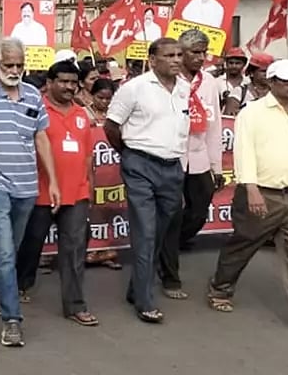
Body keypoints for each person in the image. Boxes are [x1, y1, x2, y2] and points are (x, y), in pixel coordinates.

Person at [206, 60, 288, 334]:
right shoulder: (253, 113)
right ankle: (220, 288)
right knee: (243, 244)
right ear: (271, 82)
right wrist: (252, 189)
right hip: (261, 194)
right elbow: (243, 152)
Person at [0, 38, 60, 347]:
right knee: (5, 252)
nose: (15, 70)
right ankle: (12, 320)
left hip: (27, 186)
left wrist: (54, 181)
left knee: (12, 249)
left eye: (19, 65)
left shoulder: (34, 95)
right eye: (9, 65)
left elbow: (42, 140)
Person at [104, 38, 190, 324]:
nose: (176, 60)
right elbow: (111, 126)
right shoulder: (134, 88)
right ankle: (145, 301)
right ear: (153, 60)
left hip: (172, 168)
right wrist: (128, 154)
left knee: (161, 233)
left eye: (179, 55)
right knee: (146, 233)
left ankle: (135, 288)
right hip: (140, 164)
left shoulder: (184, 88)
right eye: (169, 55)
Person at [15, 60, 98, 326]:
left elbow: (87, 156)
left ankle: (75, 304)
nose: (68, 87)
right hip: (39, 192)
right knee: (31, 243)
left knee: (74, 249)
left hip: (76, 193)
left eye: (73, 82)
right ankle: (19, 284)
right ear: (49, 83)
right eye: (62, 81)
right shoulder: (34, 109)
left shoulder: (82, 115)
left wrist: (89, 187)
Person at [157, 30, 224, 300]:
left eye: (203, 52)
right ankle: (170, 274)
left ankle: (166, 244)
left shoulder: (209, 82)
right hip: (170, 158)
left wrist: (216, 166)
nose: (200, 57)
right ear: (180, 53)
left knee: (198, 210)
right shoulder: (166, 80)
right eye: (194, 52)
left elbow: (214, 124)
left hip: (198, 159)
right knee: (171, 215)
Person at [83, 78, 123, 270]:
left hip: (112, 171)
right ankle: (89, 251)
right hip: (90, 169)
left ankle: (104, 251)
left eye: (109, 98)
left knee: (109, 210)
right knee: (91, 211)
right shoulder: (83, 114)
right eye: (101, 98)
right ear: (92, 95)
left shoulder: (116, 116)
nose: (105, 102)